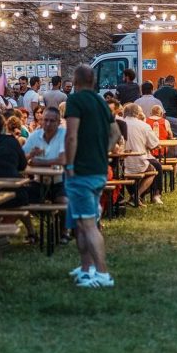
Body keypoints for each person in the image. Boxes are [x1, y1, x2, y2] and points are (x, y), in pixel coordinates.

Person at [65, 64, 120, 289]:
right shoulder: (100, 101)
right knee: (83, 221)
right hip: (99, 169)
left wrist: (69, 164)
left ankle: (103, 274)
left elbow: (71, 136)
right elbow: (115, 133)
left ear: (76, 82)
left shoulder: (75, 101)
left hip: (81, 170)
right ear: (93, 82)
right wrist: (103, 152)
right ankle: (86, 269)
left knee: (88, 225)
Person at [23, 107, 68, 203]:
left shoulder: (64, 134)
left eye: (52, 121)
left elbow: (63, 160)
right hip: (39, 181)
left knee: (64, 202)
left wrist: (38, 162)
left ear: (58, 122)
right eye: (46, 120)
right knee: (19, 201)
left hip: (60, 181)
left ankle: (61, 216)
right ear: (41, 120)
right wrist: (31, 154)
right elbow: (20, 157)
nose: (48, 124)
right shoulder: (35, 135)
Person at [121, 104, 162, 204]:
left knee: (126, 173)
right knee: (155, 169)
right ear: (137, 113)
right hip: (140, 161)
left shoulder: (119, 124)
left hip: (122, 163)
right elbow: (155, 145)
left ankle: (135, 196)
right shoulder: (144, 126)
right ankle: (139, 195)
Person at [153, 75, 177, 146]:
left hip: (161, 120)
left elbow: (154, 107)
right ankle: (175, 156)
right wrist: (176, 111)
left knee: (163, 140)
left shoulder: (157, 92)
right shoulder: (175, 91)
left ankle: (165, 155)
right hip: (174, 118)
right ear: (173, 82)